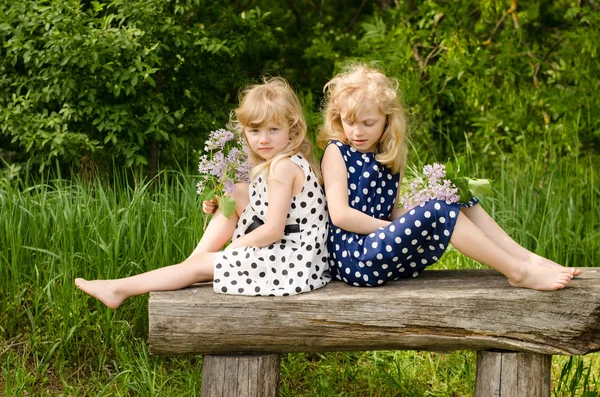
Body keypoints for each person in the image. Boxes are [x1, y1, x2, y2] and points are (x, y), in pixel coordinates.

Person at [318, 64, 580, 291]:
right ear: (338, 119)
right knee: (438, 210)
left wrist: (417, 213)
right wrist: (398, 227)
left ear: (387, 121)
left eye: (368, 123)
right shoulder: (337, 152)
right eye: (349, 122)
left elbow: (389, 212)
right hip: (355, 259)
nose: (357, 132)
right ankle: (518, 273)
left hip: (381, 248)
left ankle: (528, 259)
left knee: (452, 194)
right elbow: (341, 215)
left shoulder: (388, 156)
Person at [75, 76, 331, 309]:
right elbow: (260, 205)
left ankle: (118, 289)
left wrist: (233, 250)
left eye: (273, 130)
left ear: (292, 129)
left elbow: (273, 230)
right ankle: (191, 265)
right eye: (255, 130)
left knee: (204, 263)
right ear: (244, 131)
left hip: (293, 264)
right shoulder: (282, 162)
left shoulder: (282, 168)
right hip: (301, 255)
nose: (263, 139)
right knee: (233, 193)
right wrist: (220, 203)